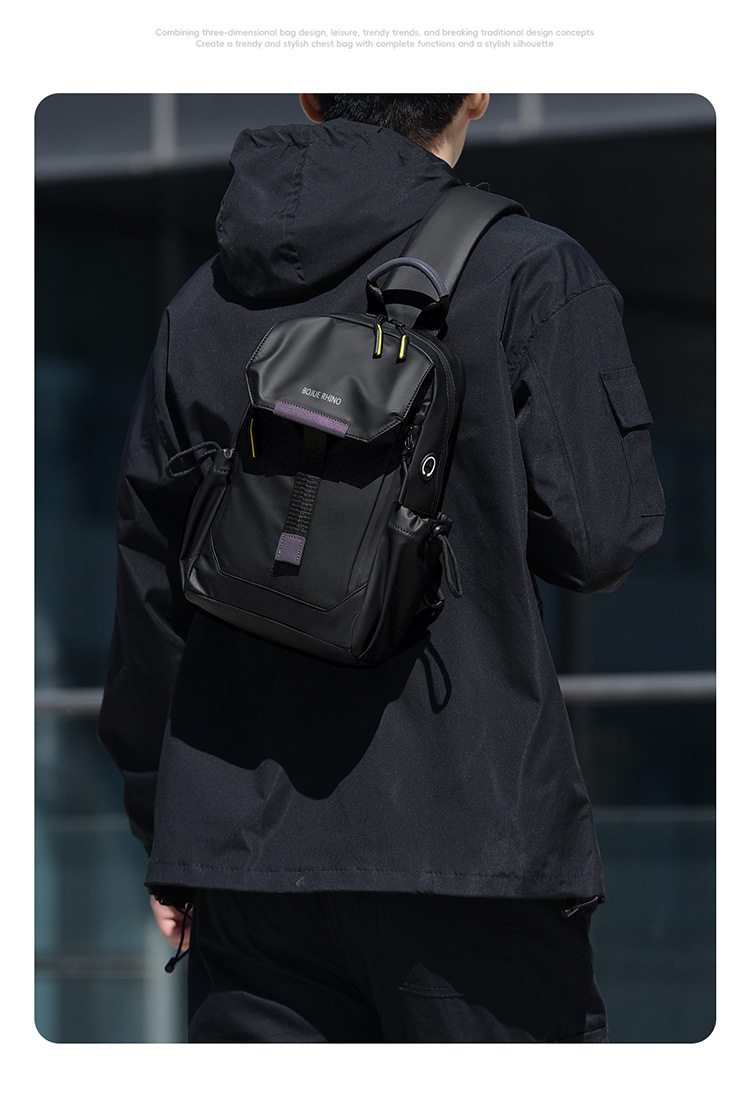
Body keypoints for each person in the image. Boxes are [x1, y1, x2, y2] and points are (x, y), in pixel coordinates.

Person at [98, 94, 665, 1043]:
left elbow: (152, 585)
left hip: (245, 859)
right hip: (470, 847)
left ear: (310, 95)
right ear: (475, 89)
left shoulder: (205, 299)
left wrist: (168, 828)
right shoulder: (530, 268)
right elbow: (601, 541)